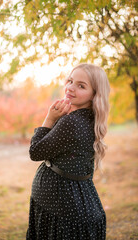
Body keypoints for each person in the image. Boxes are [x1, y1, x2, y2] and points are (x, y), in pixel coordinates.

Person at [26, 63, 110, 240]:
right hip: (70, 204)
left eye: (81, 85)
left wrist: (50, 118)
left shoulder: (71, 123)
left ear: (94, 94)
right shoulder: (90, 119)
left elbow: (35, 152)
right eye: (70, 81)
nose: (70, 88)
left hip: (62, 210)